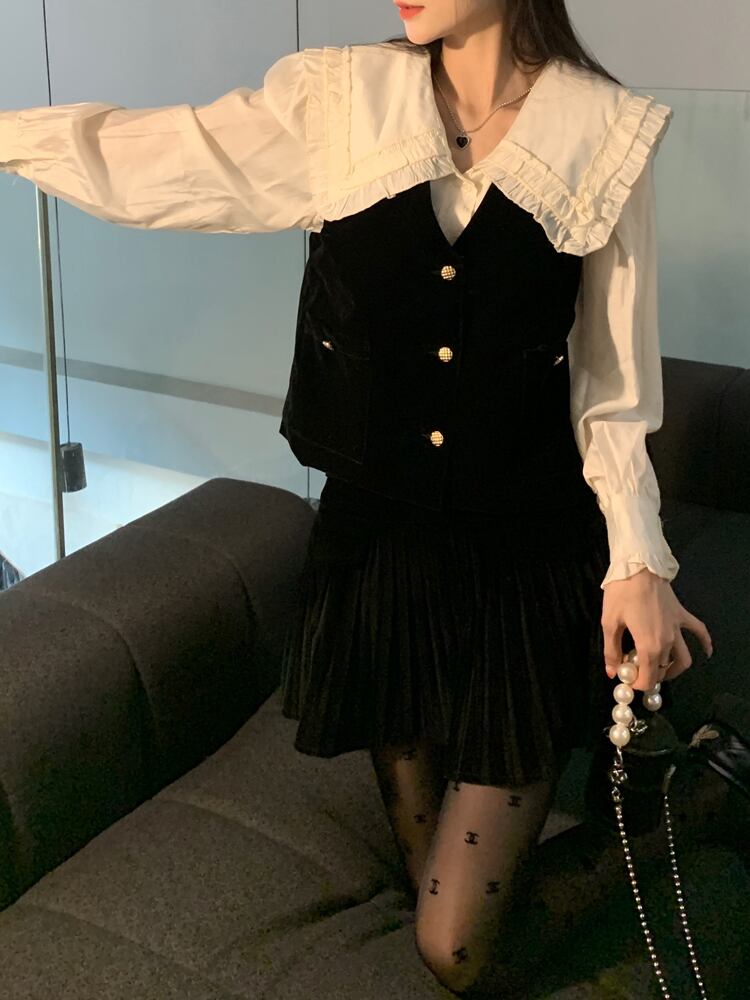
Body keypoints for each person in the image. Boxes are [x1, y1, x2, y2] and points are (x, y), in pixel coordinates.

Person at [0, 1, 714, 994]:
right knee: (428, 881)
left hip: (523, 560)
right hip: (375, 560)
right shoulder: (343, 102)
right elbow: (161, 157)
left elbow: (611, 387)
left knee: (453, 946)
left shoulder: (600, 134)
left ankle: (692, 807)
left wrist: (637, 562)